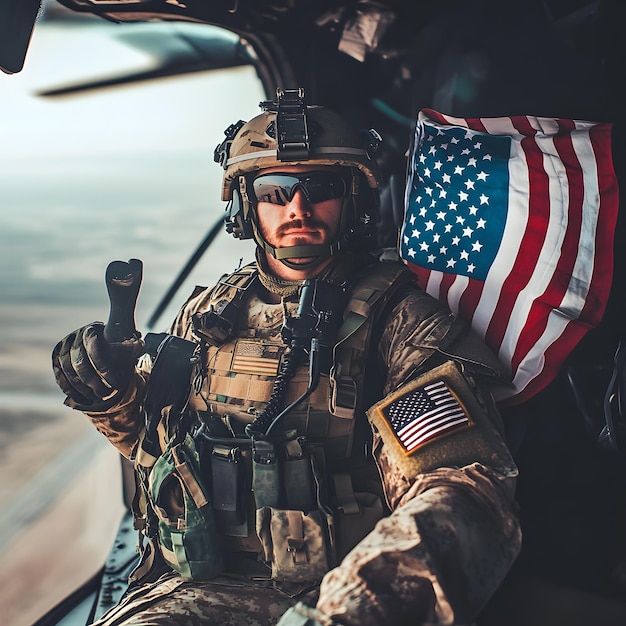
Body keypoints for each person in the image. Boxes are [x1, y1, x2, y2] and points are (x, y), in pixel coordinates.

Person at [52, 88, 521, 626]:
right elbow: (161, 450)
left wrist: (351, 609)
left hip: (334, 594)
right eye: (275, 191)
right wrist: (110, 396)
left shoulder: (401, 323)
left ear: (353, 202)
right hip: (193, 587)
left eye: (320, 188)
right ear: (244, 206)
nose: (297, 208)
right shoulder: (211, 311)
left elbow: (460, 490)